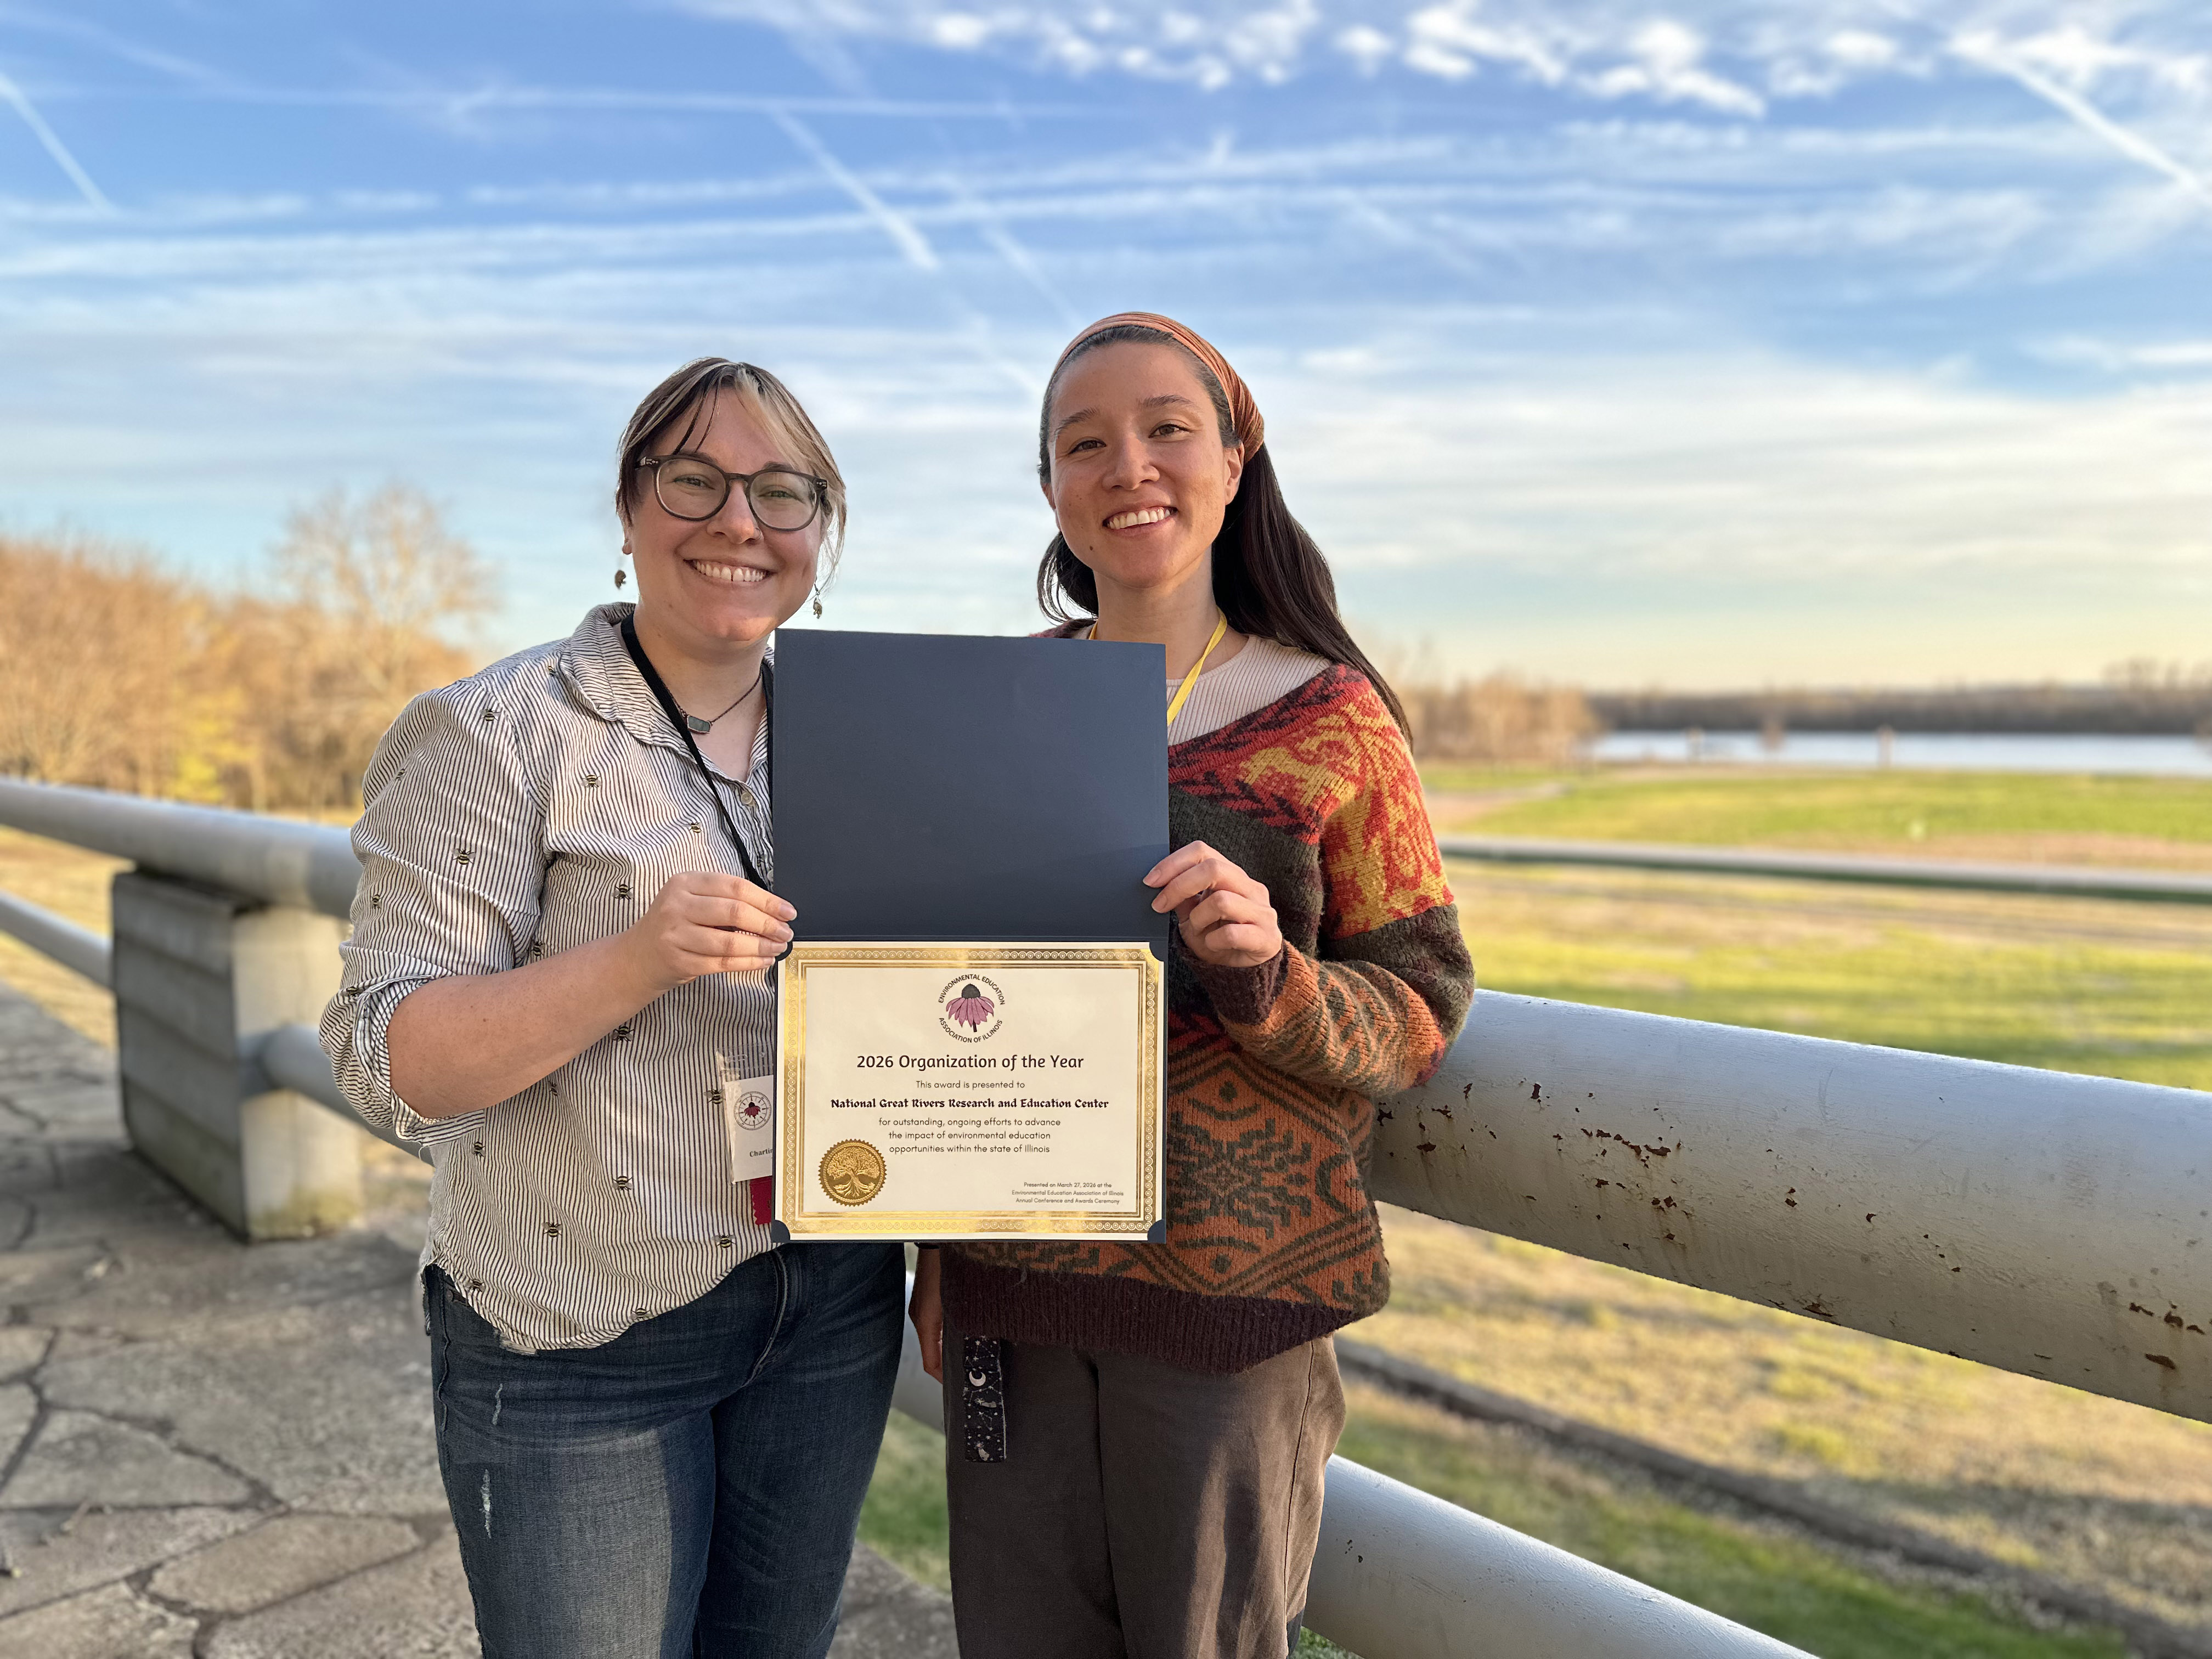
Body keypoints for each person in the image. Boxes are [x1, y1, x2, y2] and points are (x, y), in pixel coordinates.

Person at [908, 313, 1476, 1659]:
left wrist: (1268, 974)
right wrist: (938, 1252)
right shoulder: (989, 708)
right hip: (1015, 1296)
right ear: (1050, 487)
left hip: (1233, 1318)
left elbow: (1421, 1012)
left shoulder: (1336, 720)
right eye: (1084, 443)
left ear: (1236, 456)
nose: (1130, 468)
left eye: (1168, 428)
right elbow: (936, 992)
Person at [319, 358, 903, 1659]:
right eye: (694, 480)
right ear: (630, 509)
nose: (739, 522)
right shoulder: (493, 732)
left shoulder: (880, 730)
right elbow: (386, 1055)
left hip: (833, 1305)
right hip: (577, 1335)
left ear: (825, 528)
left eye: (782, 491)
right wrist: (633, 959)